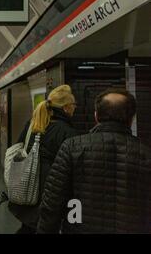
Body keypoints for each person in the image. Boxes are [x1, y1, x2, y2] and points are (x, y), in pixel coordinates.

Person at [37, 89, 151, 233]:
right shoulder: (146, 154)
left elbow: (52, 202)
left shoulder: (72, 147)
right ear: (132, 118)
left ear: (96, 116)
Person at [8, 85, 79, 234]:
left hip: (27, 187)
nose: (75, 108)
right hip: (50, 194)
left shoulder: (32, 124)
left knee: (28, 228)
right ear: (66, 108)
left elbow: (19, 148)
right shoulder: (68, 132)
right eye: (74, 105)